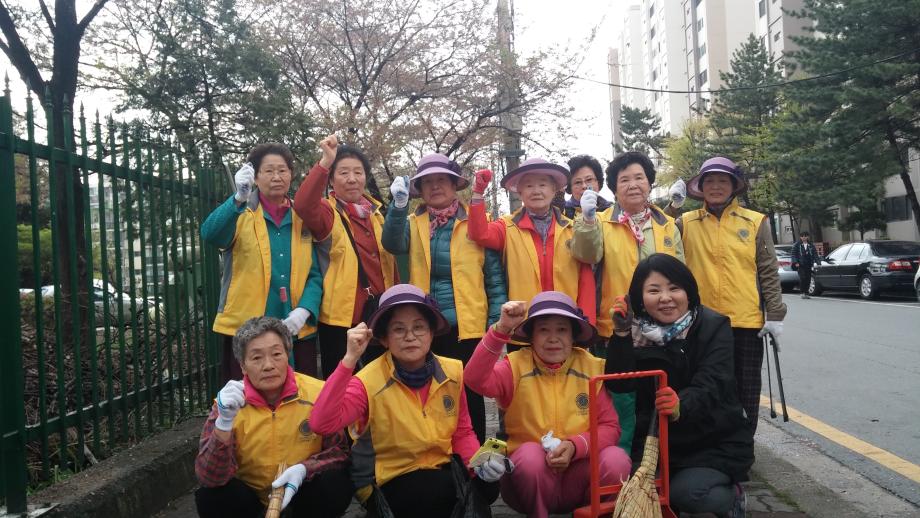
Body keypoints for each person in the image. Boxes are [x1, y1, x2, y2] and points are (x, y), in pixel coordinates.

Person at [310, 284, 505, 518]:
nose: (410, 336)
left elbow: (462, 431)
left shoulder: (453, 371)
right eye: (399, 329)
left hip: (439, 469)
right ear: (384, 338)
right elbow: (321, 423)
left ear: (431, 333)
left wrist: (479, 467)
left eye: (419, 327)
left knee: (487, 485)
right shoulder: (366, 381)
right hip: (386, 477)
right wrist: (349, 360)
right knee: (430, 490)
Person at [605, 254, 753, 518]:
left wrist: (680, 405)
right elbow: (620, 384)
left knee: (685, 494)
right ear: (639, 297)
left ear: (688, 291)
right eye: (654, 290)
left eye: (674, 288)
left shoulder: (712, 325)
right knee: (619, 485)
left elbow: (714, 382)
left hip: (710, 437)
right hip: (653, 439)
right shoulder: (634, 330)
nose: (665, 297)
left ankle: (733, 499)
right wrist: (620, 335)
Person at [465, 292, 632, 518]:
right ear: (531, 336)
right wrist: (501, 330)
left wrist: (574, 447)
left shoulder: (592, 367)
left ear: (574, 336)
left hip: (578, 478)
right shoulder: (514, 366)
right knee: (530, 458)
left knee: (617, 459)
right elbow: (474, 379)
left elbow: (610, 428)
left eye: (562, 329)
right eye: (543, 329)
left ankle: (596, 514)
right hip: (525, 481)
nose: (553, 338)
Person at [381, 153, 507, 443]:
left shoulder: (476, 222)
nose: (435, 187)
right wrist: (398, 208)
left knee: (471, 396)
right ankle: (439, 455)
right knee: (432, 395)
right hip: (425, 326)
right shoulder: (412, 223)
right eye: (428, 182)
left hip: (469, 327)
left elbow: (494, 278)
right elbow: (392, 243)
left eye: (442, 180)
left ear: (454, 185)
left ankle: (474, 461)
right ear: (420, 190)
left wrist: (496, 324)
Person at [568, 151, 684, 453]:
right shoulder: (602, 222)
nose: (633, 185)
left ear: (649, 183)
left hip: (663, 329)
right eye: (624, 180)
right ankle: (620, 465)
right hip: (616, 329)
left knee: (656, 398)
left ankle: (658, 462)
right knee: (620, 402)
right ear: (615, 188)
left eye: (639, 178)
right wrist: (588, 219)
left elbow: (682, 276)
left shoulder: (667, 225)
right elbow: (585, 254)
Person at [194, 317, 352, 518]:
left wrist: (304, 469)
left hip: (303, 493)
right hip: (251, 500)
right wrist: (223, 423)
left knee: (335, 482)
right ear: (243, 366)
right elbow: (209, 477)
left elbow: (340, 453)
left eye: (276, 354)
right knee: (210, 496)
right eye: (257, 358)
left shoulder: (319, 393)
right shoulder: (229, 403)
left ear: (288, 355)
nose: (268, 365)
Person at [678, 156, 787, 432]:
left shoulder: (755, 222)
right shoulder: (685, 223)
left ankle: (743, 449)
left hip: (745, 321)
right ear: (700, 187)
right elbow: (657, 230)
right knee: (703, 385)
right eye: (710, 181)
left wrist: (774, 314)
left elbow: (768, 271)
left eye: (722, 180)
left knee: (746, 389)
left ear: (734, 185)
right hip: (700, 323)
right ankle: (710, 446)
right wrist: (672, 204)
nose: (716, 186)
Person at [201, 143, 323, 381]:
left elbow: (315, 274)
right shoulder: (240, 213)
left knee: (301, 402)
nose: (276, 177)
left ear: (291, 174)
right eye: (268, 171)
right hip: (247, 331)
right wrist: (238, 198)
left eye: (283, 170)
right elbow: (210, 233)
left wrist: (304, 310)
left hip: (296, 329)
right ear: (255, 176)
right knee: (247, 403)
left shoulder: (303, 218)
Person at [293, 135, 398, 378]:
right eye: (343, 173)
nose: (352, 179)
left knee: (380, 381)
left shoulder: (376, 215)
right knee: (342, 382)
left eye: (358, 172)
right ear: (331, 178)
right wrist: (325, 161)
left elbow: (391, 267)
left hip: (380, 313)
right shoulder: (327, 212)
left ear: (365, 177)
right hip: (341, 318)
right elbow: (303, 205)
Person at [466, 159, 597, 326]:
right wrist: (478, 193)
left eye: (542, 185)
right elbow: (479, 233)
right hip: (522, 326)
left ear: (554, 189)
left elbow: (586, 282)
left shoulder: (573, 230)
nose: (536, 191)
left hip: (565, 325)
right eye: (528, 186)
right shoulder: (507, 226)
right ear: (519, 192)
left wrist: (586, 325)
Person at [562, 154, 612, 220]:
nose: (584, 186)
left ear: (598, 182)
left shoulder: (612, 210)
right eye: (578, 182)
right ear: (569, 187)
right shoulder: (562, 213)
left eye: (589, 180)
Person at [791, 231, 820, 298]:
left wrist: (818, 262)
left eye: (805, 236)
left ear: (808, 237)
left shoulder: (811, 245)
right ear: (800, 237)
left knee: (808, 278)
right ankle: (802, 292)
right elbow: (793, 255)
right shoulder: (796, 245)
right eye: (802, 236)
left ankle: (806, 293)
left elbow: (815, 254)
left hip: (809, 264)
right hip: (800, 265)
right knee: (803, 278)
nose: (804, 237)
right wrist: (796, 262)